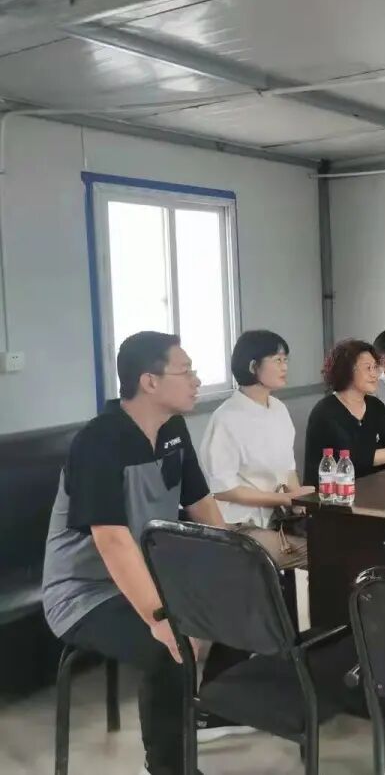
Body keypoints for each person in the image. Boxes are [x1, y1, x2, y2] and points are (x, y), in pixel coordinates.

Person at [41, 332, 225, 775]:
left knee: (244, 599)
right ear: (150, 381)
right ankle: (169, 768)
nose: (197, 380)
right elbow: (112, 540)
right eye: (186, 371)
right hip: (84, 593)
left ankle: (214, 708)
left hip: (147, 575)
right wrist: (161, 618)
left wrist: (236, 566)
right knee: (170, 648)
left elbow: (201, 504)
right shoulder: (98, 442)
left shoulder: (173, 429)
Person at [200, 330, 314, 568]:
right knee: (319, 553)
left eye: (286, 360)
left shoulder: (279, 409)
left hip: (278, 518)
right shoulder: (226, 418)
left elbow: (287, 469)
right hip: (239, 526)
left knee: (337, 540)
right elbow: (224, 490)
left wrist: (299, 502)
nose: (285, 367)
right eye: (277, 360)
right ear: (253, 366)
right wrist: (283, 499)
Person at [303, 339, 385, 486]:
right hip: (334, 493)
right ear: (347, 371)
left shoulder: (374, 405)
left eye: (375, 367)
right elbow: (354, 458)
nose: (375, 374)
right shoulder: (325, 412)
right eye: (368, 368)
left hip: (375, 487)